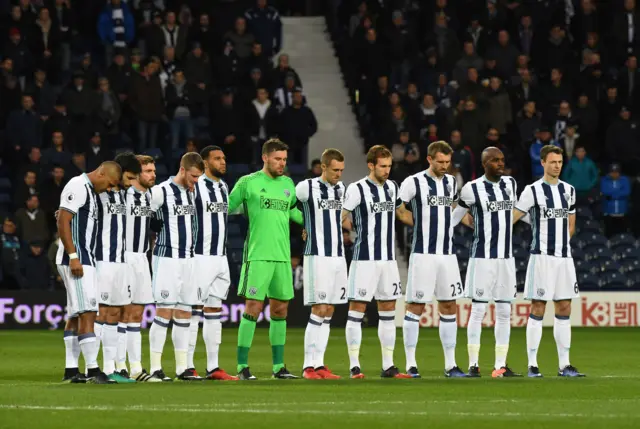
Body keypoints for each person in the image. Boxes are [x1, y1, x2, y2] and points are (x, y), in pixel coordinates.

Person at [227, 139, 304, 380]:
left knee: (280, 309)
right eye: (277, 159)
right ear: (265, 158)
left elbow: (291, 210)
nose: (282, 163)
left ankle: (279, 367)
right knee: (253, 308)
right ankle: (241, 367)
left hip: (282, 257)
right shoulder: (248, 182)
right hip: (258, 256)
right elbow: (225, 207)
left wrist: (308, 224)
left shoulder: (288, 184)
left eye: (284, 159)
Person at [512, 145, 585, 377]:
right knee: (538, 307)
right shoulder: (532, 190)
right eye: (553, 162)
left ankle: (565, 365)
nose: (557, 166)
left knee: (564, 307)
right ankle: (532, 365)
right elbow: (513, 217)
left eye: (560, 162)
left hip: (564, 258)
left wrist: (562, 244)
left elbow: (571, 224)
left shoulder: (569, 190)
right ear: (542, 163)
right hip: (541, 258)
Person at [341, 145, 413, 379]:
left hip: (388, 260)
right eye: (382, 166)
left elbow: (402, 213)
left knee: (389, 310)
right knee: (357, 310)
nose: (387, 171)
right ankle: (354, 366)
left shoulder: (393, 187)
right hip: (364, 260)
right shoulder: (357, 189)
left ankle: (388, 366)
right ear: (371, 165)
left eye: (389, 166)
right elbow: (340, 215)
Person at [451, 147, 522, 377]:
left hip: (506, 259)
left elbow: (518, 211)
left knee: (504, 312)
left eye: (502, 160)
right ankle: (473, 365)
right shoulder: (472, 189)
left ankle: (500, 365)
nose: (501, 164)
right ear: (484, 164)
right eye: (495, 161)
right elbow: (456, 216)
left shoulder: (510, 184)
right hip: (482, 259)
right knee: (478, 311)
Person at [398, 141, 466, 378]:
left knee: (449, 306)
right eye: (440, 162)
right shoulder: (413, 182)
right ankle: (411, 364)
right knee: (416, 306)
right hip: (423, 254)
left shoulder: (450, 182)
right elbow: (399, 208)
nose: (445, 166)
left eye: (448, 162)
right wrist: (419, 225)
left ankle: (451, 365)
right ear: (429, 159)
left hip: (447, 255)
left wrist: (455, 222)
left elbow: (455, 208)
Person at [58, 161, 122, 384]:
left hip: (86, 258)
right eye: (111, 184)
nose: (110, 189)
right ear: (101, 173)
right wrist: (73, 256)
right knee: (87, 313)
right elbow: (63, 220)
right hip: (77, 259)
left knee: (76, 314)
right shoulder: (77, 185)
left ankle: (71, 371)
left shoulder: (92, 193)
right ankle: (93, 370)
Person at [147, 152, 204, 381]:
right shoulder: (161, 191)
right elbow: (143, 217)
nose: (196, 181)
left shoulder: (192, 191)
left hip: (188, 260)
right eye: (193, 176)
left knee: (184, 313)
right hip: (167, 258)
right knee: (164, 312)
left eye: (199, 177)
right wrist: (153, 226)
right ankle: (154, 368)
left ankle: (182, 368)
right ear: (182, 170)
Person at [296, 149, 346, 380]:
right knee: (319, 308)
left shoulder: (341, 189)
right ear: (323, 167)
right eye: (335, 170)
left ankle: (320, 364)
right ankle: (308, 366)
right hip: (317, 255)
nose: (338, 174)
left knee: (330, 310)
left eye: (341, 170)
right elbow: (287, 205)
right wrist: (303, 225)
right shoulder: (306, 187)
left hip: (338, 256)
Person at [190, 146, 238, 380]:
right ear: (205, 163)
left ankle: (213, 366)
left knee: (214, 310)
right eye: (217, 159)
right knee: (192, 310)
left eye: (224, 158)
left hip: (220, 257)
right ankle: (186, 365)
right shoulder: (196, 185)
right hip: (200, 256)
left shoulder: (223, 187)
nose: (223, 162)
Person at [93, 153, 139, 383]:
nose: (131, 183)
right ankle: (94, 368)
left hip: (121, 261)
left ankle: (110, 368)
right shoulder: (97, 194)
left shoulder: (124, 194)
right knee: (101, 312)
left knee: (116, 313)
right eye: (129, 177)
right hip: (102, 261)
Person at [123, 155, 157, 382]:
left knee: (136, 314)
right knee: (119, 314)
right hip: (122, 258)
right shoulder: (123, 195)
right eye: (147, 171)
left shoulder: (150, 197)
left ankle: (135, 368)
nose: (153, 175)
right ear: (135, 173)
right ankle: (116, 366)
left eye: (153, 171)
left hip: (142, 258)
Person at [600, 163, 631, 237]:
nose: (614, 174)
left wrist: (612, 195)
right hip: (609, 211)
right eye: (612, 172)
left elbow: (626, 192)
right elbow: (604, 191)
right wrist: (619, 193)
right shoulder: (604, 180)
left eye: (616, 172)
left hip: (622, 211)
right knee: (609, 233)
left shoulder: (625, 180)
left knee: (622, 233)